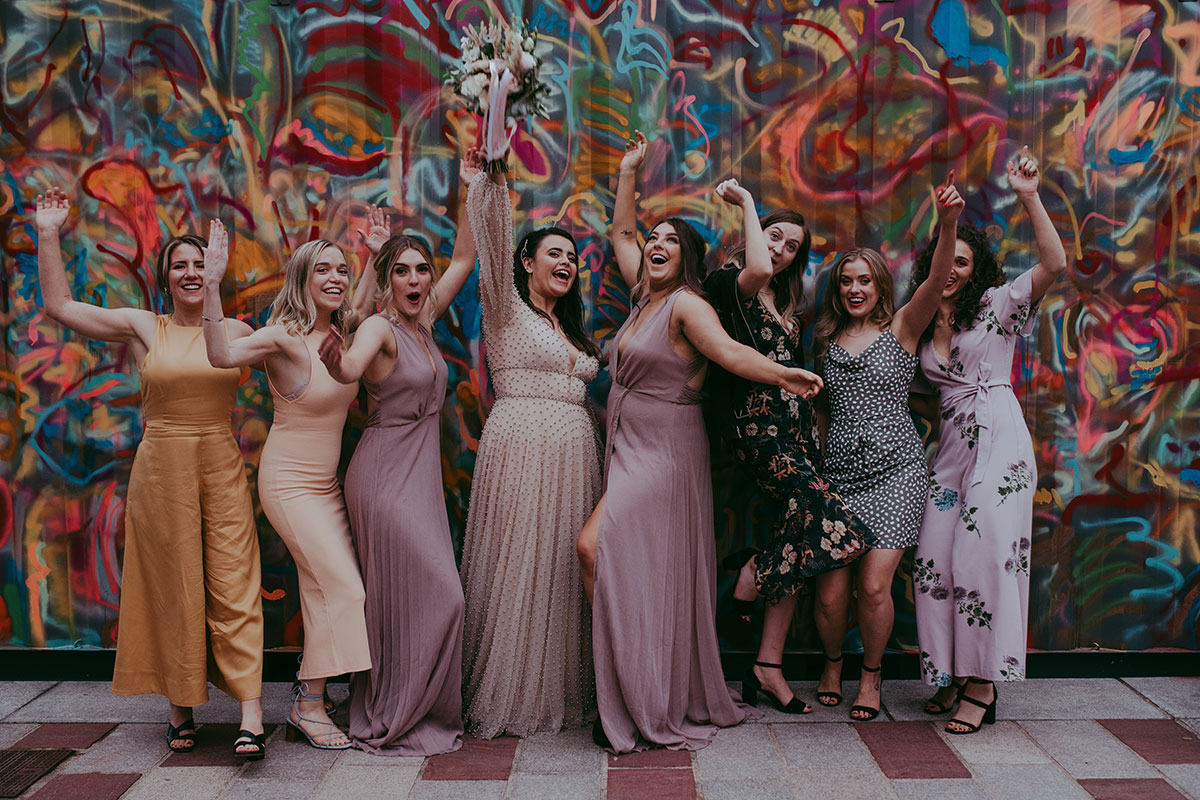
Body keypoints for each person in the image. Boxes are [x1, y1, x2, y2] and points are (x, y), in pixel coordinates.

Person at [577, 132, 824, 753]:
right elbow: (621, 235)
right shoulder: (643, 297)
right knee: (639, 565)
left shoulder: (688, 303)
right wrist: (630, 171)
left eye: (669, 242)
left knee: (591, 546)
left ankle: (636, 683)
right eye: (652, 240)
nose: (654, 246)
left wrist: (782, 373)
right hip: (629, 442)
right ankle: (644, 681)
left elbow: (730, 352)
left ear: (687, 259)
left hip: (664, 451)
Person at [34, 190, 266, 760]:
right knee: (173, 584)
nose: (190, 273)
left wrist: (215, 288)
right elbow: (62, 308)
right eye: (179, 267)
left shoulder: (235, 329)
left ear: (212, 270)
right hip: (161, 469)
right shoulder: (145, 325)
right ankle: (179, 710)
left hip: (220, 460)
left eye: (199, 264)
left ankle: (252, 714)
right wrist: (47, 233)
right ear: (165, 279)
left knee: (236, 580)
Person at [318, 151, 480, 755]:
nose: (415, 281)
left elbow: (465, 257)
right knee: (440, 593)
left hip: (420, 479)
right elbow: (354, 364)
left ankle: (410, 701)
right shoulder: (380, 328)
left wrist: (468, 188)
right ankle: (392, 705)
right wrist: (338, 357)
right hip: (383, 476)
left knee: (428, 594)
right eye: (404, 272)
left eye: (421, 271)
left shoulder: (425, 320)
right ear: (387, 281)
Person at [701, 176, 874, 715]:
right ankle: (753, 573)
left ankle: (766, 666)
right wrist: (749, 204)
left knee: (797, 541)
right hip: (760, 435)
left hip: (798, 436)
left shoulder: (785, 300)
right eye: (774, 236)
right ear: (756, 233)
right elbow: (755, 266)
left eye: (791, 246)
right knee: (837, 526)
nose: (779, 250)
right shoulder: (731, 283)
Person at [202, 231, 379, 749]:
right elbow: (219, 355)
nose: (336, 278)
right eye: (323, 270)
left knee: (322, 589)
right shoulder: (280, 337)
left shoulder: (345, 332)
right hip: (289, 484)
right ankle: (307, 702)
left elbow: (363, 299)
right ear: (302, 278)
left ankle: (314, 697)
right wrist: (212, 284)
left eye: (342, 270)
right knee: (344, 588)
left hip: (327, 487)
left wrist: (370, 255)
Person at [912, 147, 1066, 734]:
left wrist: (1028, 194)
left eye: (962, 261)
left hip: (999, 443)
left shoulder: (997, 307)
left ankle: (983, 685)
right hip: (949, 451)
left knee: (985, 559)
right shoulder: (924, 319)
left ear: (975, 268)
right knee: (934, 561)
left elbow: (1053, 264)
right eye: (945, 258)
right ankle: (949, 672)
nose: (952, 267)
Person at [457, 145, 603, 737]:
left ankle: (559, 689)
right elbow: (491, 245)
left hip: (574, 455)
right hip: (521, 445)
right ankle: (511, 691)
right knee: (519, 562)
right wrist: (493, 184)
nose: (566, 263)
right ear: (528, 260)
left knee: (562, 569)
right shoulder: (505, 309)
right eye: (555, 254)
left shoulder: (568, 327)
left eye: (572, 257)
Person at [810, 174, 964, 721]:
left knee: (873, 587)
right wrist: (818, 466)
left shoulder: (901, 328)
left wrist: (946, 224)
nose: (855, 289)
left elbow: (937, 278)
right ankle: (833, 662)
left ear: (880, 288)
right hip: (839, 478)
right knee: (830, 595)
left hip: (897, 471)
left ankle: (870, 676)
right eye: (847, 281)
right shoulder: (825, 341)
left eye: (865, 281)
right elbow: (823, 408)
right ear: (838, 289)